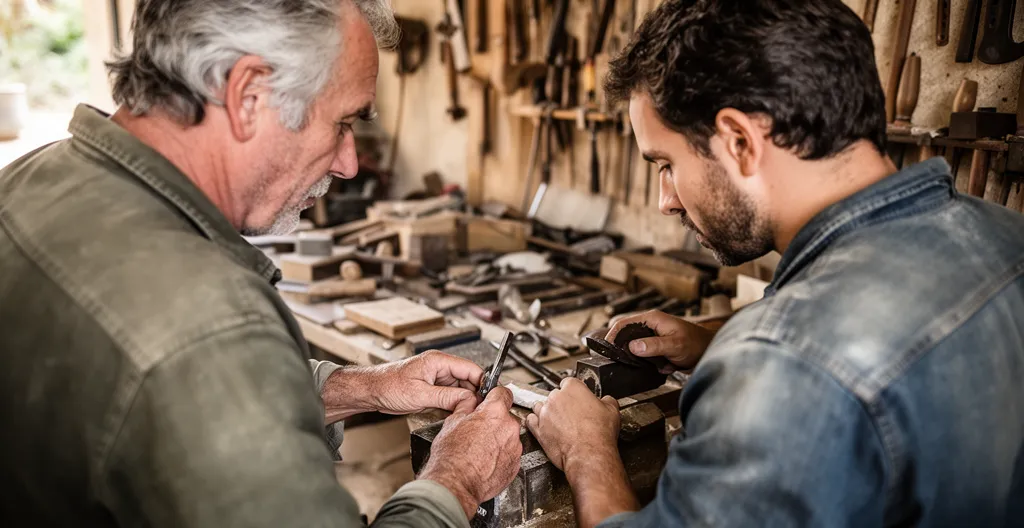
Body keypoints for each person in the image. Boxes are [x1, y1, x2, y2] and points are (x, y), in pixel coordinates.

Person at [0, 0, 521, 526]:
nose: (349, 164)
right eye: (343, 123)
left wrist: (360, 389)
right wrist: (457, 477)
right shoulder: (211, 326)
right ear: (249, 96)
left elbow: (165, 406)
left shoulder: (29, 180)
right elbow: (198, 361)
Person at [525, 1, 1024, 526]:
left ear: (740, 142)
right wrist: (714, 343)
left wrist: (587, 452)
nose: (665, 202)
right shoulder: (1005, 235)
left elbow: (816, 369)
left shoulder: (780, 369)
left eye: (667, 165)